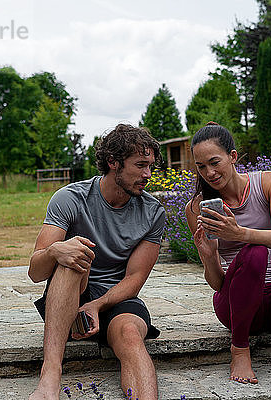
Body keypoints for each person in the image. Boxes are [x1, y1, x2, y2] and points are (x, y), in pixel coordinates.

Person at [28, 124, 165, 400]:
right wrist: (55, 251)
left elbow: (135, 279)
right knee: (73, 255)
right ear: (113, 162)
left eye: (151, 166)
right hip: (69, 296)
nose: (147, 175)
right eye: (140, 165)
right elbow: (35, 272)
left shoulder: (153, 212)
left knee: (130, 334)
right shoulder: (70, 198)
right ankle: (49, 379)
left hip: (116, 299)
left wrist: (98, 305)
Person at [184, 122, 271, 385]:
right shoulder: (196, 208)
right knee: (255, 253)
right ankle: (239, 351)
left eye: (215, 162)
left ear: (233, 156)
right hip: (235, 306)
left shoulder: (269, 182)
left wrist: (240, 234)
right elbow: (217, 283)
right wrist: (208, 256)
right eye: (201, 167)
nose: (209, 173)